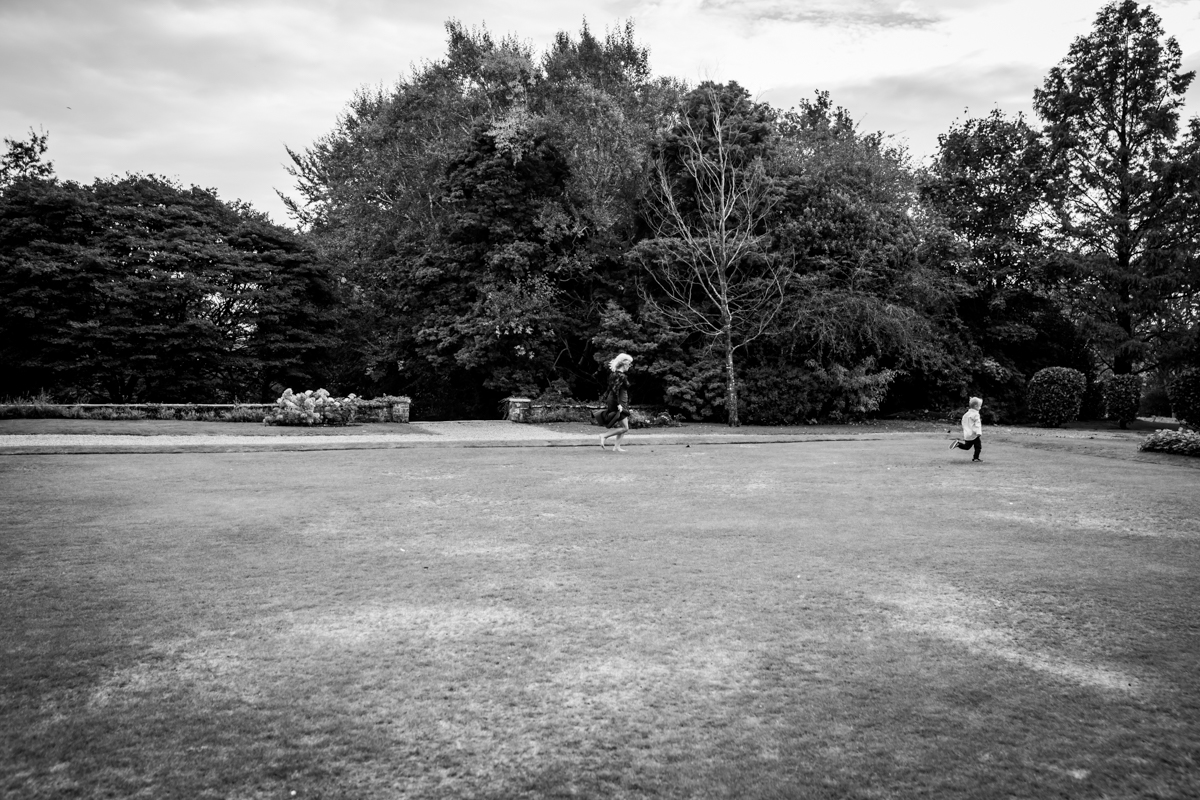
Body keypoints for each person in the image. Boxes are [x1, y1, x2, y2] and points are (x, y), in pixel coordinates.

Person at [599, 353, 633, 452]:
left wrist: (605, 398)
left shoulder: (613, 374)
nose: (630, 366)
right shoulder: (621, 376)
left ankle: (616, 447)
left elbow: (610, 389)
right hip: (619, 403)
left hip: (617, 401)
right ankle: (604, 436)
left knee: (623, 426)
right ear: (625, 364)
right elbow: (614, 390)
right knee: (625, 428)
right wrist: (618, 404)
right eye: (629, 364)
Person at [950, 396, 984, 462]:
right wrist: (978, 432)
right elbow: (978, 424)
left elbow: (963, 423)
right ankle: (975, 458)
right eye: (980, 406)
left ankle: (958, 444)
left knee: (967, 447)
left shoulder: (966, 414)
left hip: (967, 434)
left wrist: (966, 431)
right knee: (978, 447)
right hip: (974, 434)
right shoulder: (976, 414)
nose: (980, 407)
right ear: (976, 406)